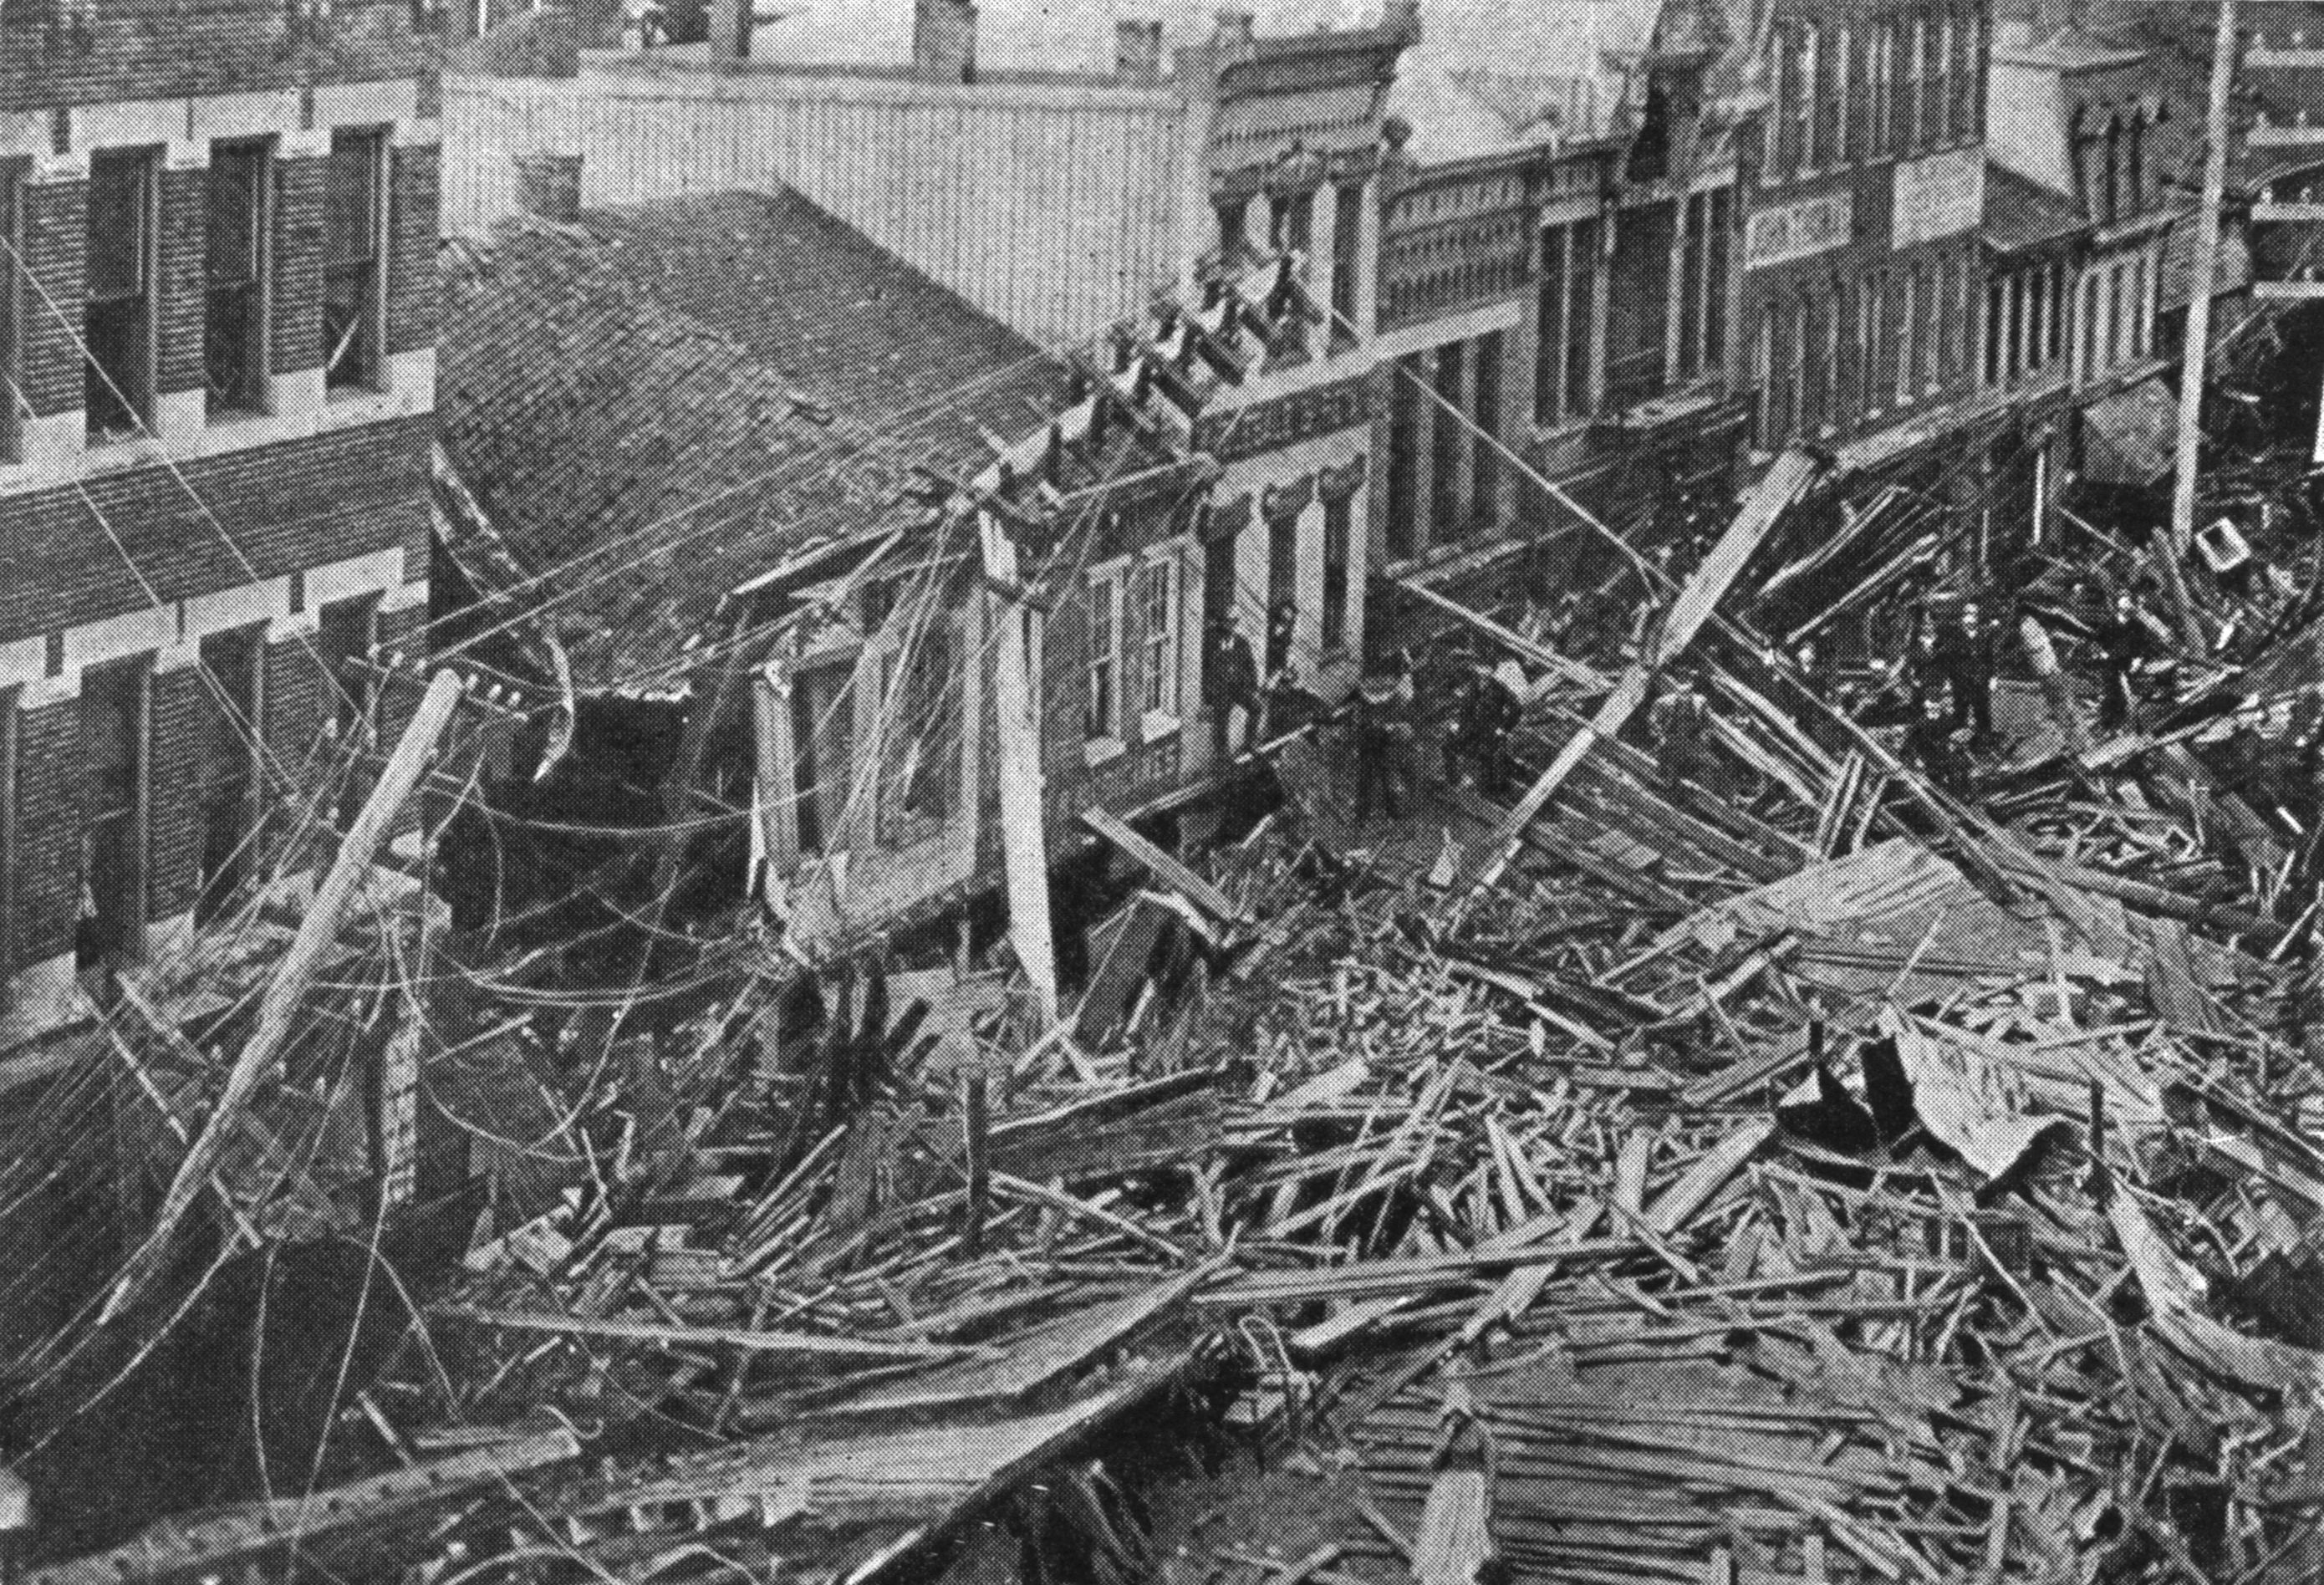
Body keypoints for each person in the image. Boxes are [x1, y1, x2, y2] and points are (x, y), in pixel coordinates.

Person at [1351, 665, 1413, 821]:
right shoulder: (1365, 698)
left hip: (1388, 746)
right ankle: (1362, 816)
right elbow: (1359, 721)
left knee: (1390, 779)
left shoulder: (1398, 700)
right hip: (1370, 742)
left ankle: (1395, 813)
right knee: (1366, 780)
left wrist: (1392, 730)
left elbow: (1407, 729)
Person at [1934, 598, 1996, 744]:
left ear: (1978, 616)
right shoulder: (1955, 636)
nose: (1970, 617)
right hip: (1960, 680)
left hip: (1981, 680)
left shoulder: (1984, 634)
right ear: (1962, 617)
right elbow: (1947, 659)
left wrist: (1993, 677)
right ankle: (1959, 747)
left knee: (1982, 711)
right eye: (1967, 613)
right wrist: (1948, 680)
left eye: (1973, 614)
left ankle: (1984, 743)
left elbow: (1990, 657)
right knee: (1960, 712)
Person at [1203, 611, 1261, 766]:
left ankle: (1250, 743)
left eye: (1232, 623)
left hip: (1239, 687)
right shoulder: (1212, 644)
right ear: (1221, 625)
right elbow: (1207, 670)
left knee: (1256, 707)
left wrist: (1254, 688)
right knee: (1222, 717)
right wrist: (1209, 694)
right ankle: (1223, 755)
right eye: (1226, 623)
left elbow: (1251, 666)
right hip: (1222, 689)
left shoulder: (1242, 643)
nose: (1229, 627)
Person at [2093, 592, 2153, 731]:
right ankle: (2110, 725)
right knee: (2113, 693)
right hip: (2113, 663)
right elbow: (2097, 642)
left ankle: (2139, 724)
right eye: (2123, 601)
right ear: (2118, 605)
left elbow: (2144, 645)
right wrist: (2102, 654)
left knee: (2139, 692)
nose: (2127, 604)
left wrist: (2138, 659)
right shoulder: (2108, 624)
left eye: (2129, 602)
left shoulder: (2137, 626)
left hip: (2131, 663)